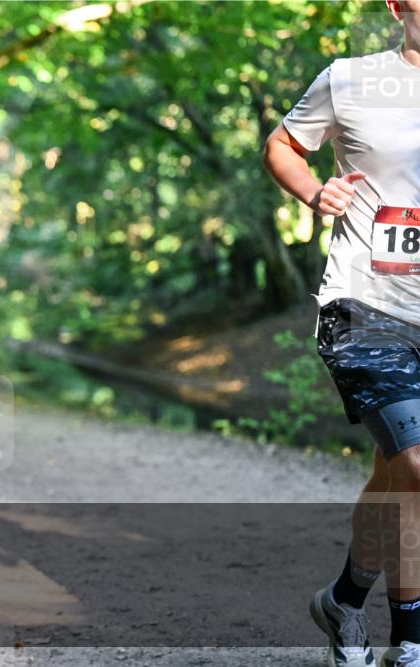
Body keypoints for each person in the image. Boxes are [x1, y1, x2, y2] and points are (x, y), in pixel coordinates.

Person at [264, 1, 420, 665]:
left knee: (399, 472)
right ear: (397, 4)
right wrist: (310, 191)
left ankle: (346, 601)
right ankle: (411, 636)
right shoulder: (351, 79)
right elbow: (281, 143)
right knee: (416, 464)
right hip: (365, 304)